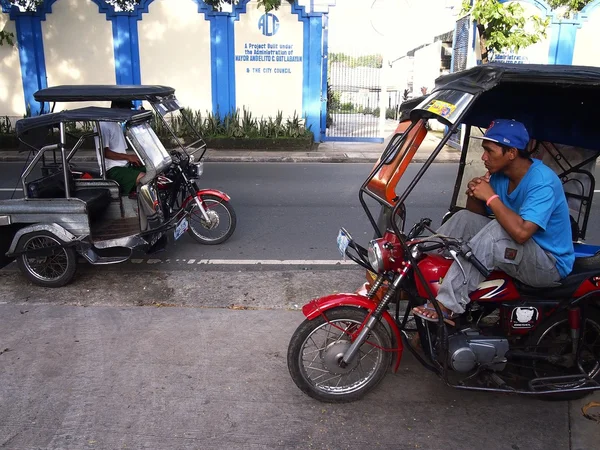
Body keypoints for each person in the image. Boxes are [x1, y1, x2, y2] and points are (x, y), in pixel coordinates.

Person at [412, 119, 575, 325]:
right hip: (521, 251)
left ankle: (448, 305)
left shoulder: (542, 182)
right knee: (463, 218)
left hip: (548, 263)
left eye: (490, 151)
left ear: (512, 153)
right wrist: (475, 195)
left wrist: (490, 197)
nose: (483, 157)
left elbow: (521, 233)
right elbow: (476, 217)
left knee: (497, 233)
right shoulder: (501, 176)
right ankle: (415, 269)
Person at [95, 100, 145, 195]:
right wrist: (128, 157)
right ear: (116, 107)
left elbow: (119, 150)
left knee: (154, 172)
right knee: (144, 177)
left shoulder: (116, 124)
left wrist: (132, 157)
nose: (127, 113)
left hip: (124, 165)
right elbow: (104, 152)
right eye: (126, 110)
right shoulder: (103, 125)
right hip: (113, 170)